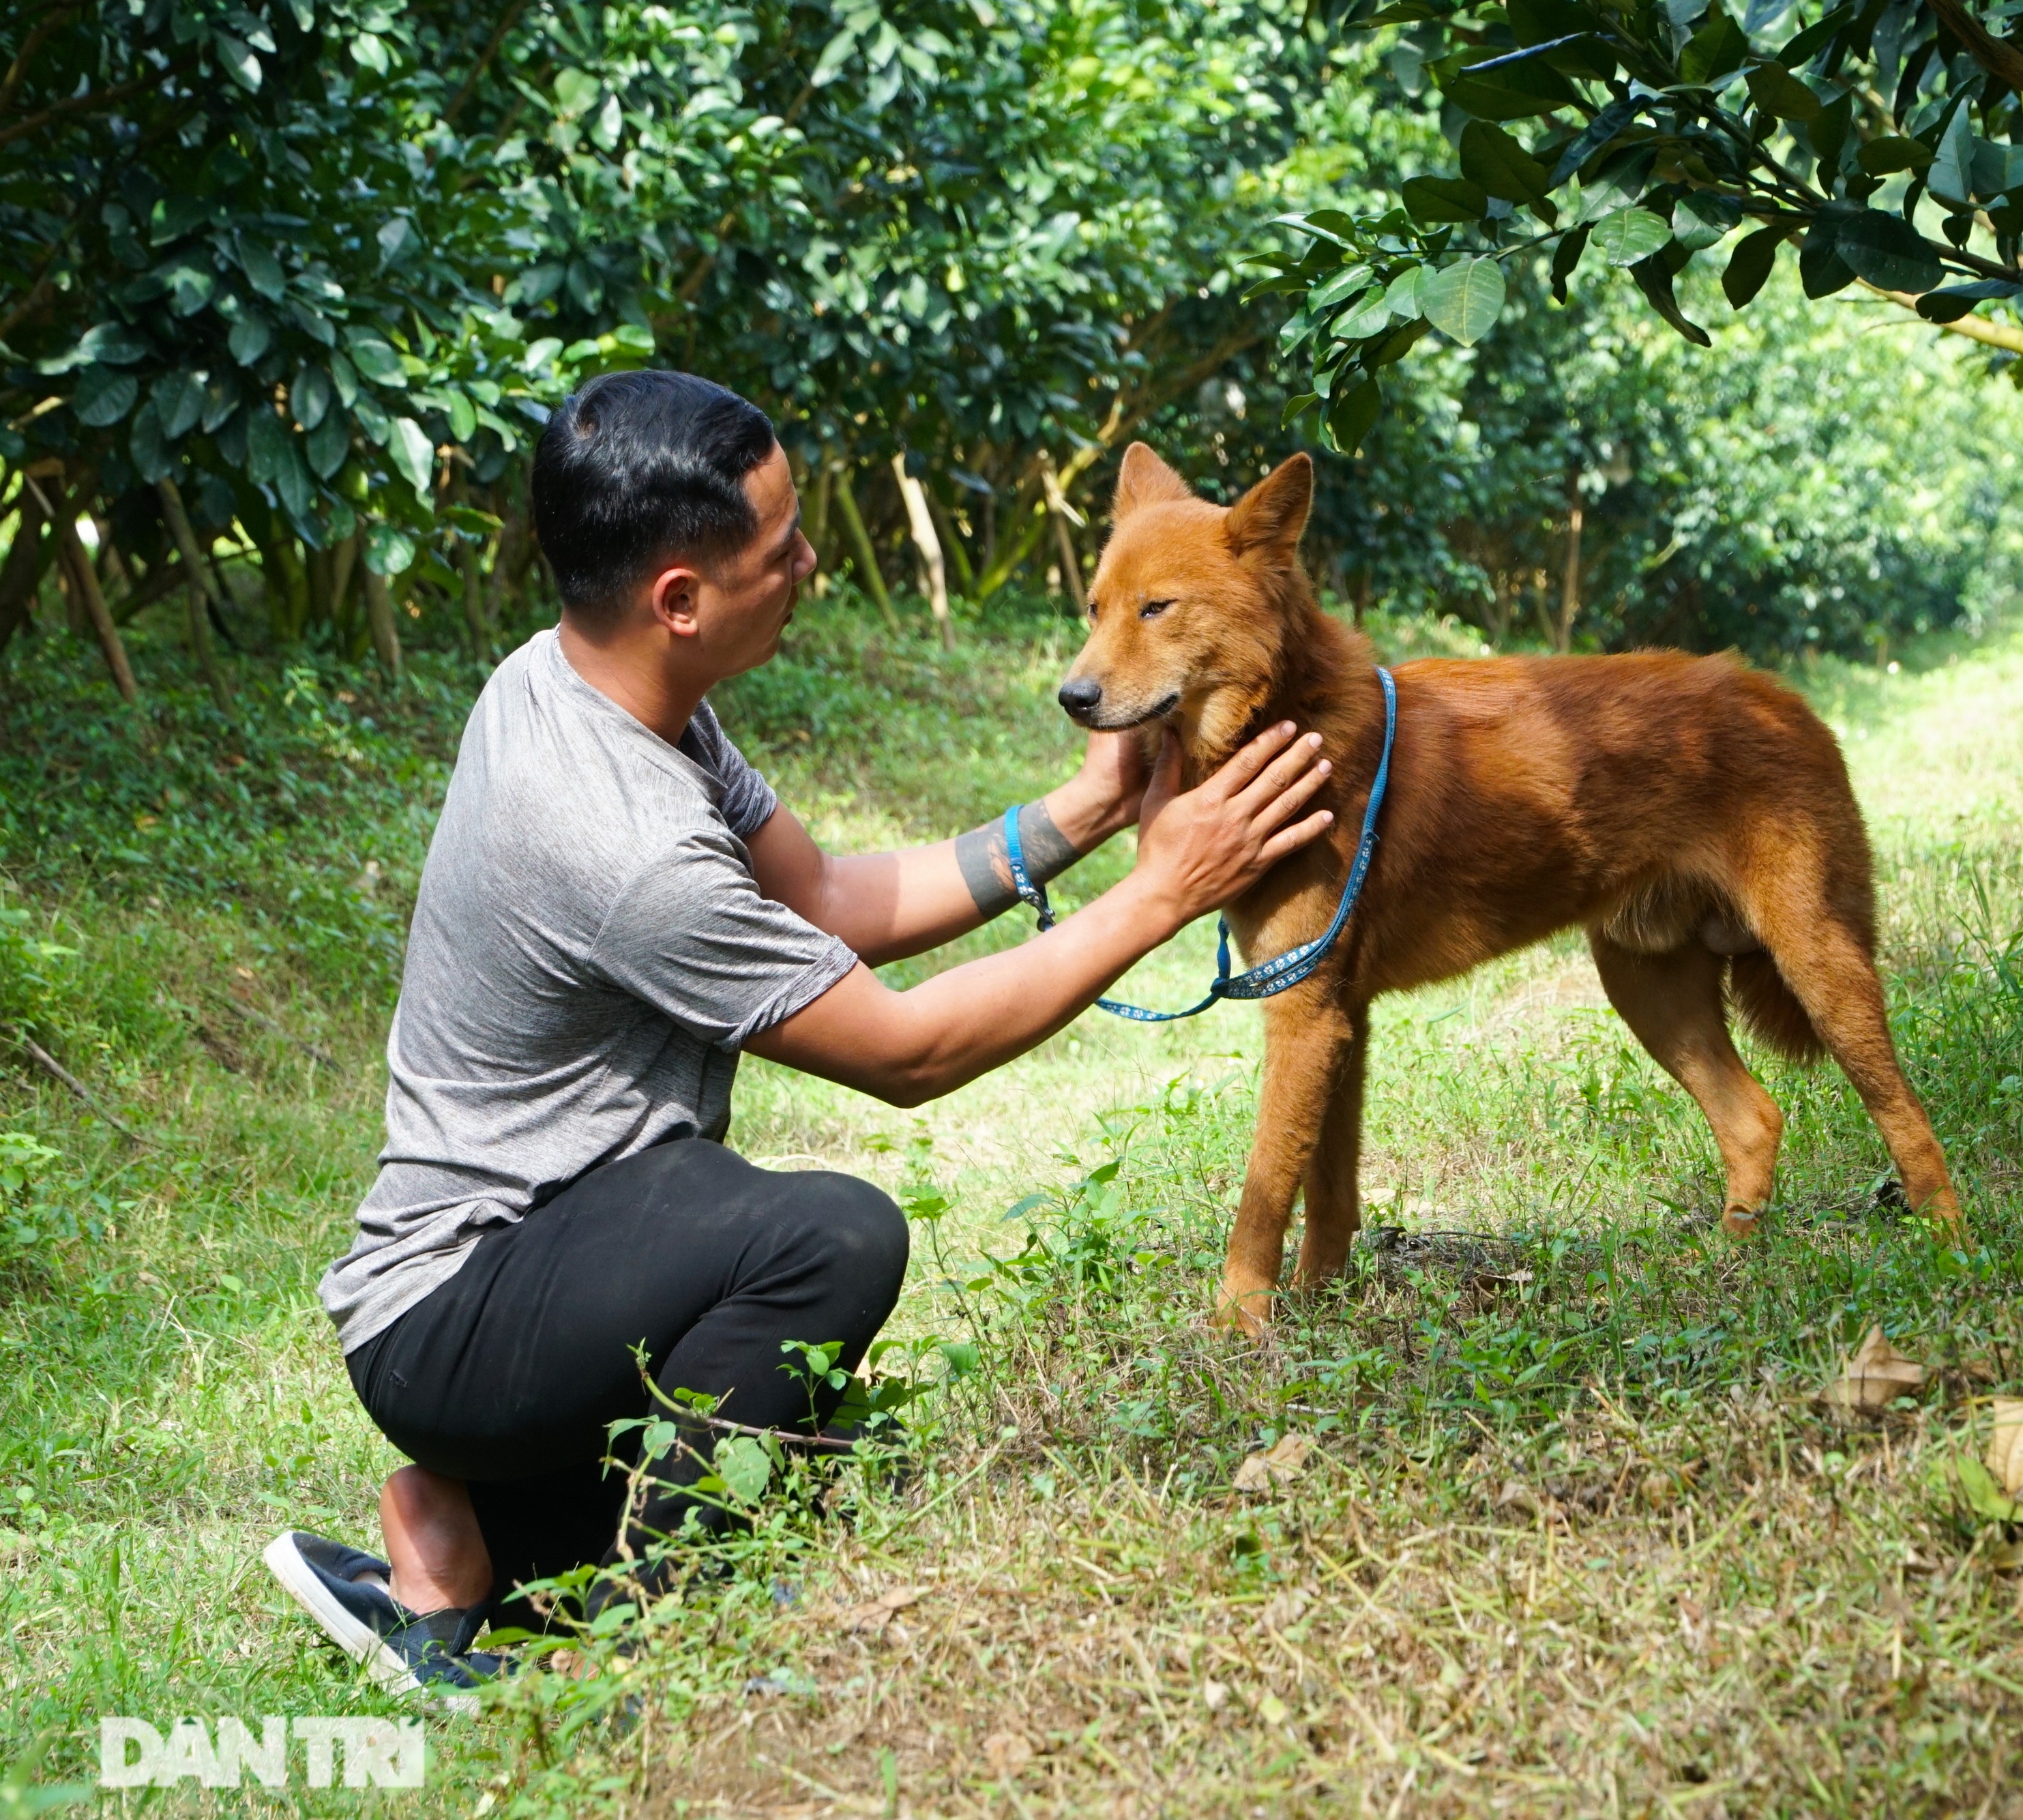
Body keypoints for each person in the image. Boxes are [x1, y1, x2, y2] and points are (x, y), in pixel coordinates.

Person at [262, 369, 1337, 1695]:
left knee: (811, 1441)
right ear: (679, 599)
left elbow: (826, 899)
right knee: (827, 1242)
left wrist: (1087, 812)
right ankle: (652, 1635)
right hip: (457, 1314)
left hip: (542, 1248)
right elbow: (906, 1053)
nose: (810, 562)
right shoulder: (620, 840)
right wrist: (1162, 892)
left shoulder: (585, 684)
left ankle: (470, 1527)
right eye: (781, 549)